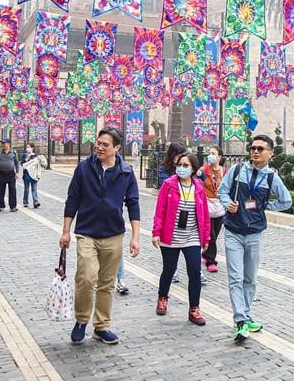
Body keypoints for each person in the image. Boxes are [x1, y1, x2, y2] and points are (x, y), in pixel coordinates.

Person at [60, 127, 141, 345]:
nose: (100, 147)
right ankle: (81, 320)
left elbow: (133, 203)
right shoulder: (84, 168)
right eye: (98, 143)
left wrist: (135, 237)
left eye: (105, 144)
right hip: (86, 233)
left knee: (107, 283)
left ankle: (101, 326)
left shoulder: (125, 171)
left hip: (114, 235)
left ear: (117, 147)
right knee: (86, 277)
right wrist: (66, 231)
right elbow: (72, 200)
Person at [218, 134, 292, 343]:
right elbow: (222, 191)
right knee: (236, 278)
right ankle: (240, 321)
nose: (256, 151)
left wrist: (265, 207)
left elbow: (286, 201)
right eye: (253, 148)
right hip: (233, 231)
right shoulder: (238, 170)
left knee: (250, 278)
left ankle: (247, 314)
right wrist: (227, 204)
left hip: (255, 234)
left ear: (270, 153)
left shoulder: (271, 178)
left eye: (261, 148)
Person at [152, 152, 210, 326]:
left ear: (193, 169)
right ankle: (162, 297)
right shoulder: (168, 185)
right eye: (179, 165)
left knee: (195, 272)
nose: (181, 168)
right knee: (169, 269)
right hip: (171, 235)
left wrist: (205, 238)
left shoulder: (199, 187)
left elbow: (205, 214)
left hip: (192, 236)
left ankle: (194, 309)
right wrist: (156, 232)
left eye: (186, 165)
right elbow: (160, 210)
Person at [157, 142, 186, 283]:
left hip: (187, 212)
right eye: (179, 155)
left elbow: (198, 182)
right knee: (170, 244)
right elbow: (164, 184)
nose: (181, 158)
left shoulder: (187, 167)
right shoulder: (164, 169)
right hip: (170, 212)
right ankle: (171, 270)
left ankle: (196, 270)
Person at [197, 145, 227, 273]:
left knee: (216, 231)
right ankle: (211, 261)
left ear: (219, 157)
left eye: (213, 153)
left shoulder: (225, 172)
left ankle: (205, 253)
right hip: (206, 205)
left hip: (219, 206)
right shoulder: (203, 170)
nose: (210, 155)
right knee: (211, 235)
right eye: (210, 153)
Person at [0, 138, 21, 212]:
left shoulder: (13, 152)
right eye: (2, 143)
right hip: (1, 173)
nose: (2, 145)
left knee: (12, 190)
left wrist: (17, 172)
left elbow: (17, 162)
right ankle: (1, 205)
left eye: (4, 143)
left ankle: (13, 206)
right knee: (0, 191)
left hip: (11, 173)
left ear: (8, 144)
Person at [21, 143, 48, 208]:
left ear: (32, 148)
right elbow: (22, 164)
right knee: (26, 189)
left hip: (34, 175)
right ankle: (25, 202)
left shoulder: (36, 156)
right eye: (27, 147)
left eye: (29, 147)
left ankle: (36, 202)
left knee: (34, 189)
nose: (27, 148)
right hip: (26, 174)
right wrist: (26, 159)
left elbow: (42, 164)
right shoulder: (24, 155)